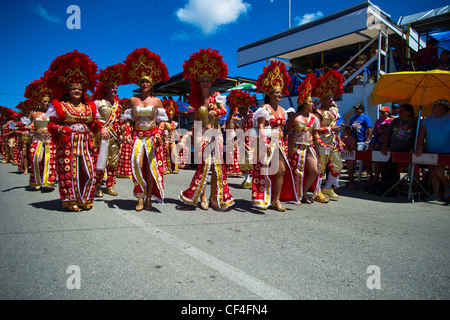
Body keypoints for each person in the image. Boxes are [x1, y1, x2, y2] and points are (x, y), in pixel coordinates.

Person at [46, 50, 102, 212]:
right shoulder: (60, 105)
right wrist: (61, 128)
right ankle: (71, 201)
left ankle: (86, 198)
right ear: (68, 90)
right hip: (68, 144)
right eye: (73, 89)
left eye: (79, 88)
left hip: (86, 144)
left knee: (89, 172)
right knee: (70, 173)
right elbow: (51, 124)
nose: (77, 91)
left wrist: (100, 128)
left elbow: (95, 122)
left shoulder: (90, 106)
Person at [179, 48, 234, 211]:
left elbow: (224, 110)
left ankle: (214, 197)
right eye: (202, 80)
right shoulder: (195, 99)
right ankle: (202, 197)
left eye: (207, 80)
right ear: (199, 82)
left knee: (217, 168)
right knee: (203, 167)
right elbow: (196, 120)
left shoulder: (216, 95)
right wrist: (193, 136)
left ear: (211, 82)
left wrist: (216, 111)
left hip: (216, 134)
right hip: (202, 134)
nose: (205, 82)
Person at [121, 48, 170, 211]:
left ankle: (148, 198)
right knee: (136, 163)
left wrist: (160, 133)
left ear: (151, 84)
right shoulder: (132, 100)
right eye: (142, 81)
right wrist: (127, 132)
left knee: (151, 168)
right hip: (137, 137)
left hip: (152, 137)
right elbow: (128, 120)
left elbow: (162, 121)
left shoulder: (157, 101)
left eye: (147, 82)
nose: (145, 84)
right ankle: (139, 196)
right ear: (139, 83)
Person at [251, 61, 298, 211]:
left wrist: (288, 141)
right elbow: (261, 126)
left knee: (281, 170)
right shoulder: (264, 109)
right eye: (276, 92)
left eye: (280, 92)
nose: (279, 95)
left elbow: (285, 129)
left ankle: (276, 199)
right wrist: (264, 142)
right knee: (264, 170)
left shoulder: (283, 110)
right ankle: (261, 197)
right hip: (267, 142)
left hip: (279, 143)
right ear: (269, 94)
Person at [284, 74, 323, 203]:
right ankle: (297, 194)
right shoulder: (294, 117)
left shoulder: (315, 118)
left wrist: (321, 143)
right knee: (297, 172)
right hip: (296, 146)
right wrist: (287, 145)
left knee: (314, 171)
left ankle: (304, 192)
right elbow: (287, 133)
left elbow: (316, 134)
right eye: (310, 102)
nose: (312, 104)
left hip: (309, 146)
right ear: (303, 103)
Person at [91, 63, 124, 198]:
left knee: (113, 162)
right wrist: (101, 128)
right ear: (106, 88)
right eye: (112, 86)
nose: (114, 89)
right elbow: (92, 119)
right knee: (101, 162)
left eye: (116, 87)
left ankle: (110, 185)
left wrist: (122, 132)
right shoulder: (98, 103)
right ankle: (98, 186)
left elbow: (120, 120)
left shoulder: (118, 105)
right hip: (101, 136)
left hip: (115, 137)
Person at [313, 70, 345, 202]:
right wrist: (329, 128)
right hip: (321, 143)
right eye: (328, 97)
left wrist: (339, 140)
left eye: (332, 97)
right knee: (321, 167)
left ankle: (327, 188)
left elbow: (335, 130)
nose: (331, 99)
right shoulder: (318, 112)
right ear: (321, 99)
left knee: (338, 165)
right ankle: (316, 191)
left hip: (332, 144)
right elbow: (314, 130)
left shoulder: (333, 112)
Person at [24, 77, 57, 192]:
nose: (46, 103)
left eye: (48, 101)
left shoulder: (52, 114)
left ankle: (47, 182)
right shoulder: (33, 113)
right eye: (44, 101)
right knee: (36, 159)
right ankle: (36, 181)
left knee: (48, 160)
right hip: (37, 139)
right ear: (39, 102)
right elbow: (27, 123)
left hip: (49, 139)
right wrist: (27, 127)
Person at [416, 99, 450, 201]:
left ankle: (447, 187)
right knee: (433, 172)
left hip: (445, 150)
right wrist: (419, 146)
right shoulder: (428, 119)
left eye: (435, 106)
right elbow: (421, 133)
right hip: (430, 149)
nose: (432, 108)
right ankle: (436, 194)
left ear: (442, 107)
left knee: (439, 171)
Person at [382, 104, 418, 186]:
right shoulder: (396, 121)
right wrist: (385, 146)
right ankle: (395, 185)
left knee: (414, 168)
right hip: (395, 149)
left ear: (409, 112)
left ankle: (415, 187)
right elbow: (388, 133)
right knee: (395, 169)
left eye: (402, 111)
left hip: (409, 150)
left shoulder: (414, 122)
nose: (400, 112)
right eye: (399, 110)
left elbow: (419, 135)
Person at [233, 90, 255, 189]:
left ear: (246, 109)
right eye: (239, 109)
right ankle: (247, 180)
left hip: (250, 144)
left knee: (251, 162)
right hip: (243, 143)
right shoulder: (243, 118)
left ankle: (253, 180)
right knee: (245, 162)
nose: (239, 111)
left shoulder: (252, 117)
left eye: (241, 109)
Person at [368, 106, 392, 184]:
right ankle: (374, 178)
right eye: (381, 112)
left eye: (383, 112)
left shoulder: (391, 120)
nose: (381, 114)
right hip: (378, 141)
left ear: (387, 112)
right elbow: (374, 130)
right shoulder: (378, 121)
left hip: (387, 142)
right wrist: (372, 137)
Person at [349, 103, 373, 181]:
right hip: (353, 141)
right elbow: (350, 129)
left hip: (362, 141)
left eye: (357, 109)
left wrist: (367, 140)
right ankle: (352, 179)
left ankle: (371, 176)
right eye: (355, 109)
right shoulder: (352, 118)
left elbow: (369, 129)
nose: (355, 110)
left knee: (364, 161)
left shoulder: (366, 117)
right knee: (352, 160)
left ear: (361, 110)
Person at [224, 96, 242, 177]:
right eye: (236, 110)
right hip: (232, 135)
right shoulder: (233, 118)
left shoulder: (228, 119)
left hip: (229, 135)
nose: (237, 112)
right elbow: (240, 119)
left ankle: (231, 168)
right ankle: (233, 168)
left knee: (231, 151)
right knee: (234, 151)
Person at [162, 99, 180, 174]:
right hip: (165, 140)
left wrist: (179, 137)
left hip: (172, 140)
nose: (171, 116)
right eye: (170, 114)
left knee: (174, 153)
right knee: (166, 153)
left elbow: (175, 131)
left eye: (172, 114)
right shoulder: (163, 123)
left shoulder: (175, 123)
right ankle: (166, 168)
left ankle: (174, 168)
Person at [342, 126, 357, 190]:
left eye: (345, 131)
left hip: (352, 156)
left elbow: (351, 149)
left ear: (349, 132)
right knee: (349, 171)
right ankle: (351, 183)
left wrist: (344, 145)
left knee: (349, 170)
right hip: (347, 156)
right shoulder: (345, 139)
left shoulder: (353, 140)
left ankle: (352, 184)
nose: (343, 132)